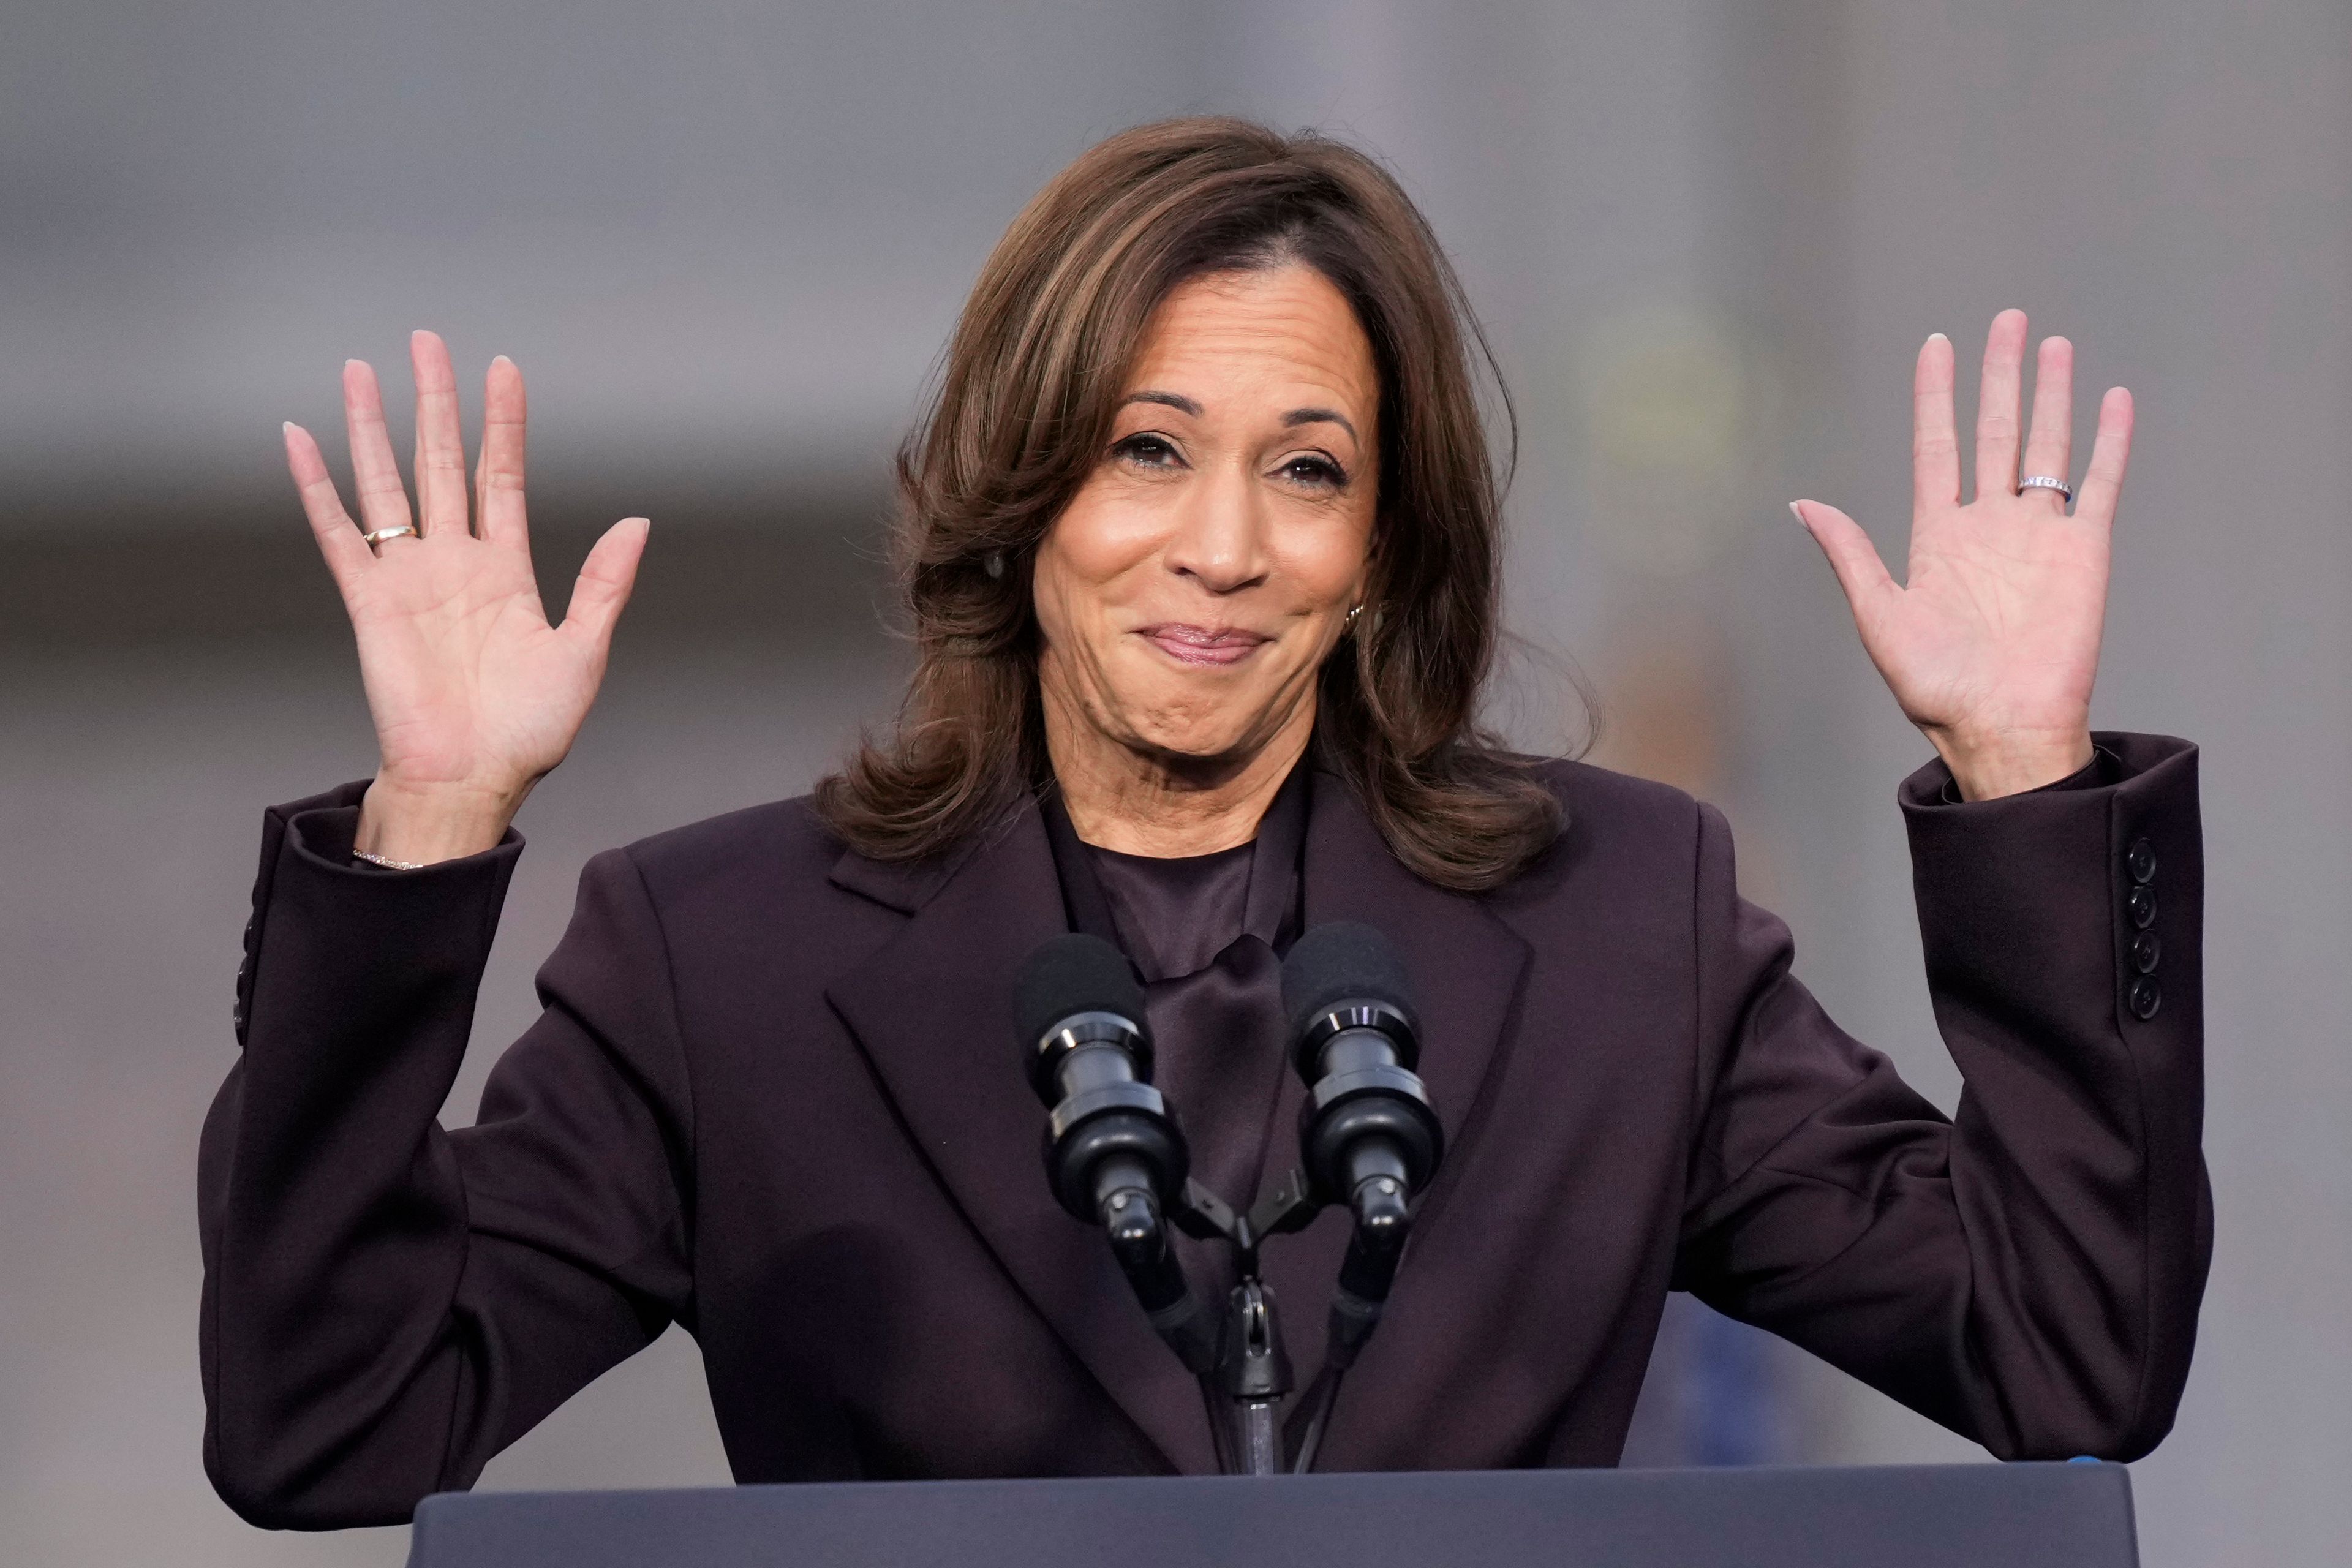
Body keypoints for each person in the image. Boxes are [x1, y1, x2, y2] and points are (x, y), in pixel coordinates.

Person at [200, 118, 2208, 1529]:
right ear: (1020, 490)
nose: (1224, 548)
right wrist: (434, 823)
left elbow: (2062, 1363)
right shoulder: (722, 958)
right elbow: (333, 1424)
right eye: (1148, 450)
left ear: (1384, 540)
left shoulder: (1622, 923)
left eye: (1309, 469)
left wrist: (2027, 772)